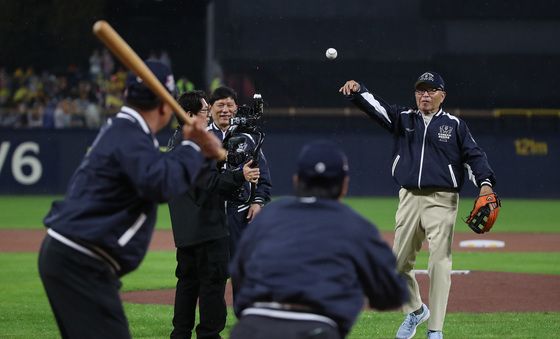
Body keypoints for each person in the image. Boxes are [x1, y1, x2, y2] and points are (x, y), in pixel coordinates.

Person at [37, 61, 224, 339]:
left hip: (77, 259)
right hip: (81, 261)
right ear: (164, 106)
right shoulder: (128, 134)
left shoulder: (125, 130)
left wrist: (196, 153)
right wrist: (193, 147)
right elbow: (160, 184)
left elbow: (162, 172)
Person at [339, 72, 497, 339]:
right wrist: (358, 90)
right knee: (397, 266)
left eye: (431, 90)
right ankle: (415, 311)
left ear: (442, 96)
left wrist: (486, 184)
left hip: (442, 201)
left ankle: (435, 330)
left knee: (439, 262)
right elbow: (377, 108)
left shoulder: (455, 125)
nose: (425, 95)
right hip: (409, 198)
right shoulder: (404, 119)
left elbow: (475, 156)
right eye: (420, 90)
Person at [229, 140, 408, 339]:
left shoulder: (268, 217)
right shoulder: (355, 226)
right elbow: (392, 293)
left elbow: (239, 272)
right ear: (344, 185)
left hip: (251, 328)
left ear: (297, 180)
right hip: (314, 329)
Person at [167, 91, 260, 339]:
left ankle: (180, 334)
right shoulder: (194, 144)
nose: (208, 117)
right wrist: (240, 175)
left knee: (187, 285)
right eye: (204, 112)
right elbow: (210, 184)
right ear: (188, 116)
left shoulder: (177, 140)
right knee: (211, 289)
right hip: (208, 229)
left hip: (186, 231)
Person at [207, 86, 272, 261]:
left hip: (241, 215)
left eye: (229, 105)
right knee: (212, 276)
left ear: (236, 108)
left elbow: (263, 177)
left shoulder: (248, 138)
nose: (225, 110)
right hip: (211, 214)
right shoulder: (201, 138)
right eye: (220, 105)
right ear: (210, 108)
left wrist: (258, 202)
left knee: (243, 272)